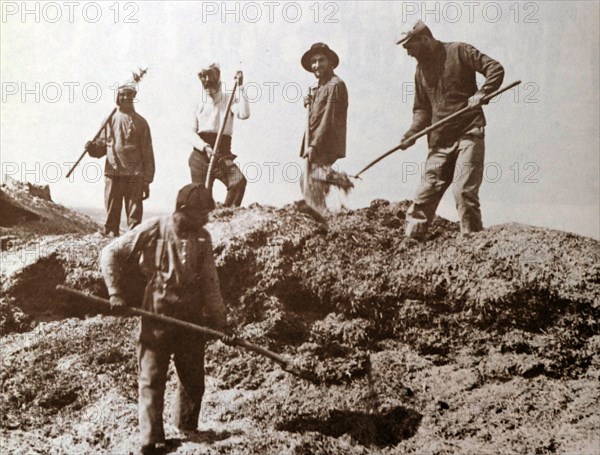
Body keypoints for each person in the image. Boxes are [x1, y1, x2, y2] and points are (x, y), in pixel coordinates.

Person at [100, 183, 228, 455]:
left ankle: (188, 431)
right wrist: (115, 293)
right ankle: (151, 441)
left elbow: (210, 283)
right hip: (156, 313)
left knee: (193, 380)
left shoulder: (204, 238)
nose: (206, 219)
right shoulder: (154, 228)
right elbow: (110, 252)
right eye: (201, 213)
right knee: (151, 378)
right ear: (184, 210)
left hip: (190, 319)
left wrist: (221, 321)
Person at [397, 20, 504, 240]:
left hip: (468, 132)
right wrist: (411, 134)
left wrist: (482, 93)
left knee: (463, 192)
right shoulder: (420, 72)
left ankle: (472, 245)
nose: (408, 53)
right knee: (424, 196)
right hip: (439, 142)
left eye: (410, 47)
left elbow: (495, 68)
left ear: (425, 40)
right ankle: (411, 245)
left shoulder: (459, 51)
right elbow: (422, 110)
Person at [85, 82, 155, 237]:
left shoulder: (141, 123)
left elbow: (147, 153)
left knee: (135, 216)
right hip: (113, 172)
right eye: (122, 94)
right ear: (117, 97)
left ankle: (133, 243)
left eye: (129, 94)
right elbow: (102, 148)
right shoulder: (110, 119)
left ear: (134, 97)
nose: (126, 97)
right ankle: (110, 238)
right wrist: (92, 148)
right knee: (112, 213)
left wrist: (147, 180)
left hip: (135, 175)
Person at [299, 42, 349, 220]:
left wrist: (313, 145)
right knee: (309, 180)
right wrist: (310, 102)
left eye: (321, 60)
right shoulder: (320, 87)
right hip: (315, 141)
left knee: (311, 180)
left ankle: (338, 181)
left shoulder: (335, 85)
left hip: (325, 142)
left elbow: (328, 119)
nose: (317, 65)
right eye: (313, 61)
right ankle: (321, 213)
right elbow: (316, 116)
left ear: (330, 63)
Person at [188, 63, 250, 207]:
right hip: (200, 156)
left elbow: (244, 114)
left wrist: (240, 87)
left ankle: (226, 215)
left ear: (219, 81)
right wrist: (205, 147)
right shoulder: (197, 103)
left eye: (212, 85)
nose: (209, 90)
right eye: (205, 85)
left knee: (238, 182)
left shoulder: (229, 99)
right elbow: (189, 132)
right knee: (201, 199)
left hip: (223, 154)